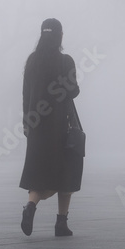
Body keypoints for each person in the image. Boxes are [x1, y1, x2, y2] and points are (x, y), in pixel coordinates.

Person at [18, 18, 82, 237]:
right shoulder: (66, 61)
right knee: (66, 172)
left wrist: (27, 123)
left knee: (38, 171)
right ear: (60, 36)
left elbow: (26, 95)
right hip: (60, 126)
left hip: (36, 125)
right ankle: (61, 223)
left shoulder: (32, 61)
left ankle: (30, 207)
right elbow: (73, 91)